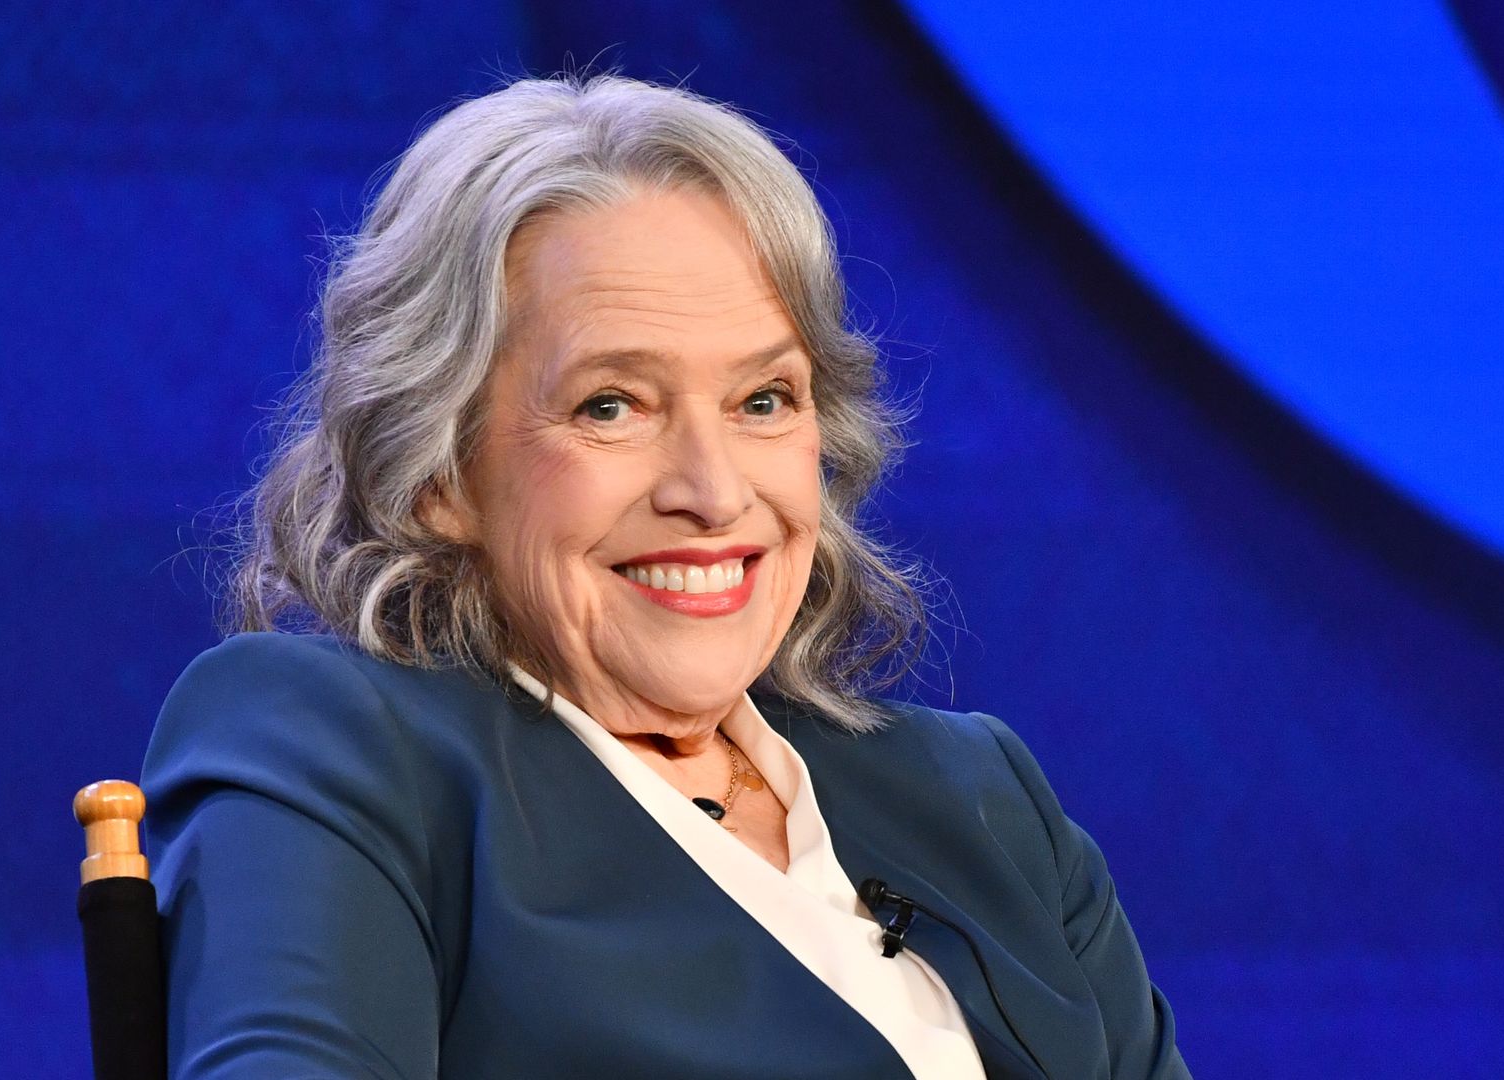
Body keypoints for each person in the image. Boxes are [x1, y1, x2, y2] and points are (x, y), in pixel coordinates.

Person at [143, 71, 1191, 1079]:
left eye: (764, 401)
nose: (715, 490)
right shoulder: (334, 749)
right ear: (438, 472)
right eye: (613, 405)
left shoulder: (978, 798)